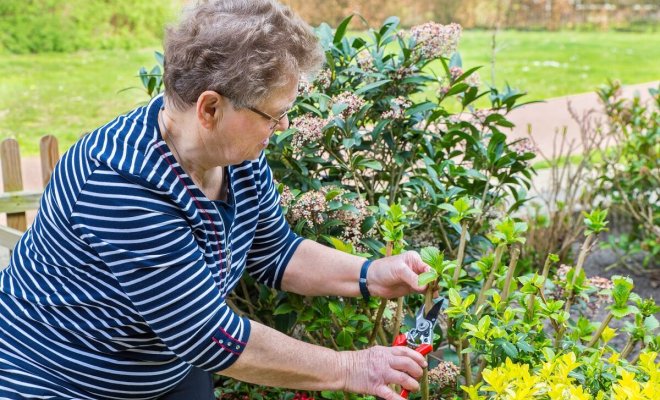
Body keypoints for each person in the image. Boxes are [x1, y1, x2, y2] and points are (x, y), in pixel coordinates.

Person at [0, 1, 432, 399]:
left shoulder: (234, 154)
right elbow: (209, 335)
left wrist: (371, 274)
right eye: (273, 114)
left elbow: (274, 252)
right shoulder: (117, 184)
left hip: (165, 366)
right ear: (210, 108)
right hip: (58, 379)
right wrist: (350, 368)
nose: (281, 126)